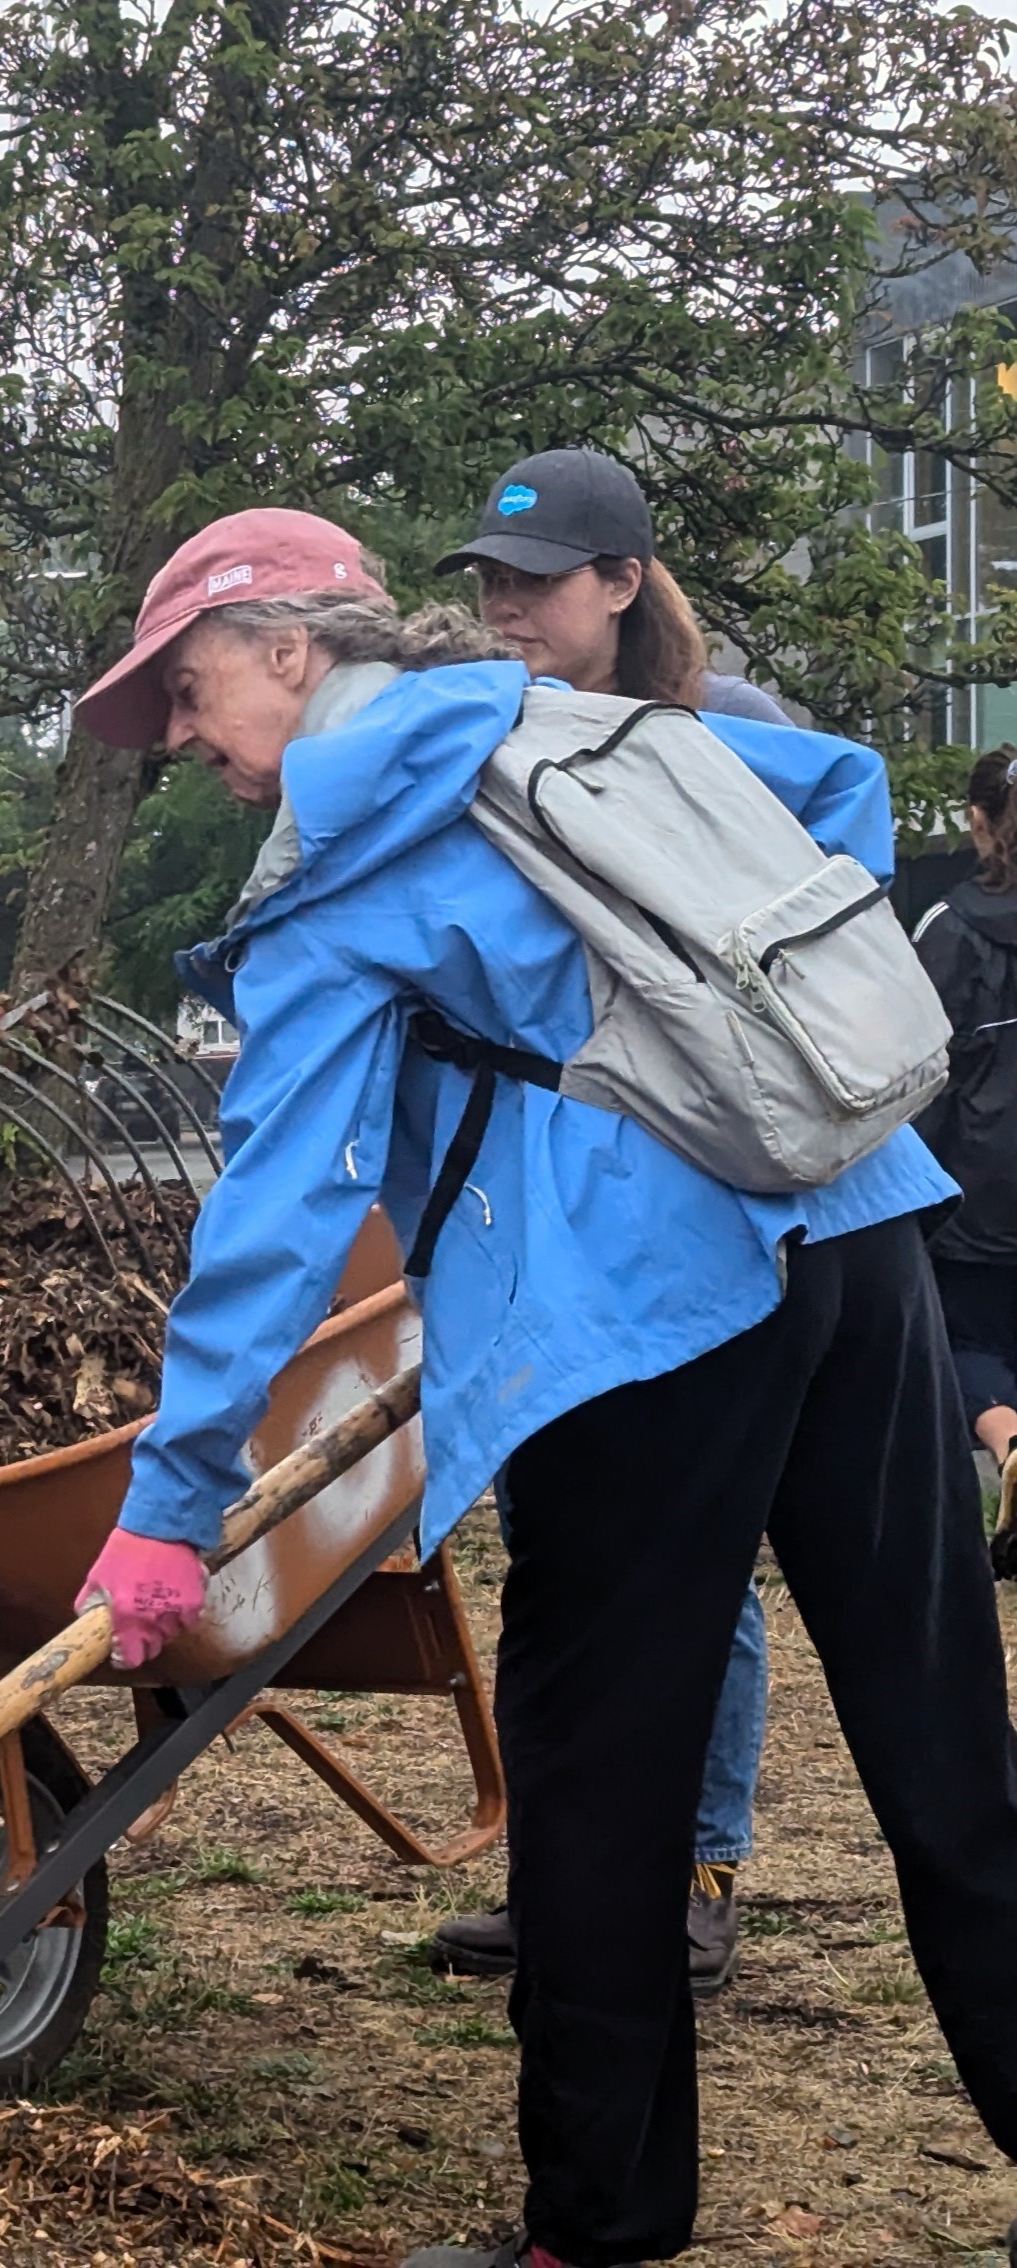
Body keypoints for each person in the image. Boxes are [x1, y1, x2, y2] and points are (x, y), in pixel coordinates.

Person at [69, 506, 1017, 2268]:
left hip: (643, 1311)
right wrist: (751, 1064)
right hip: (857, 1224)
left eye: (187, 694)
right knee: (947, 1745)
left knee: (596, 1775)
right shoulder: (575, 721)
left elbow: (274, 1217)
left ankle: (595, 2226)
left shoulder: (337, 853)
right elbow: (836, 797)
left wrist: (163, 1506)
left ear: (292, 648)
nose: (181, 741)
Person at [424, 449, 786, 1994]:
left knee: (702, 1558)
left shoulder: (729, 739)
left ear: (624, 584)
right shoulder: (478, 745)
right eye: (489, 581)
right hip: (547, 1215)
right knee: (553, 1550)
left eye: (538, 580)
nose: (505, 607)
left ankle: (696, 1864)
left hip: (700, 1208)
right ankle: (572, 1869)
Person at [914, 748, 1017, 1577]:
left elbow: (913, 1073)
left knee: (963, 1336)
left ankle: (1009, 1442)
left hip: (978, 1188)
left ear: (978, 824)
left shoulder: (947, 929)